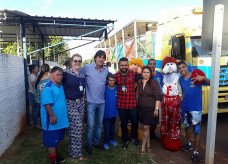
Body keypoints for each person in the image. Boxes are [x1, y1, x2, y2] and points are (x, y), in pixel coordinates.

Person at [177, 61, 210, 164]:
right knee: (186, 127)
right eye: (179, 68)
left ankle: (196, 153)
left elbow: (211, 83)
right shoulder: (181, 79)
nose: (181, 70)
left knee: (196, 131)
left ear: (187, 67)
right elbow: (183, 92)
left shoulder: (196, 75)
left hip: (196, 108)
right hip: (185, 107)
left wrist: (203, 78)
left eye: (183, 67)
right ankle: (189, 144)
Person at [80, 50, 109, 154]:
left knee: (99, 124)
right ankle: (88, 144)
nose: (101, 59)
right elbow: (78, 75)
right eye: (99, 57)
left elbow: (112, 80)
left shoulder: (106, 70)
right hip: (90, 101)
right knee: (90, 125)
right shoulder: (87, 67)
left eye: (103, 58)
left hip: (102, 102)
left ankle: (96, 142)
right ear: (95, 58)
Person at [40, 66, 69, 164]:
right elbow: (46, 104)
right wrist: (52, 115)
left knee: (56, 139)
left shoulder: (60, 85)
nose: (60, 77)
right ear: (51, 74)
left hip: (60, 119)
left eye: (61, 75)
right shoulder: (47, 86)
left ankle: (55, 155)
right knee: (51, 140)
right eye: (58, 75)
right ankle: (53, 161)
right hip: (51, 119)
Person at [62, 54, 88, 160]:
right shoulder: (66, 73)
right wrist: (44, 85)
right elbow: (54, 78)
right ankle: (77, 154)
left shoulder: (82, 76)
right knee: (77, 127)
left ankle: (72, 150)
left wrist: (83, 100)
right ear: (72, 62)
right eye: (75, 61)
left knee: (75, 128)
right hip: (70, 103)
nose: (77, 63)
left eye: (79, 61)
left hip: (80, 103)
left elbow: (83, 90)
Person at [115, 57, 140, 149]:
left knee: (134, 122)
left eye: (126, 65)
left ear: (128, 65)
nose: (124, 67)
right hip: (121, 104)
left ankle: (134, 137)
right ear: (119, 66)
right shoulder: (115, 76)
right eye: (122, 65)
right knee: (123, 123)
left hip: (132, 104)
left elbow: (142, 82)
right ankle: (124, 140)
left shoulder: (134, 75)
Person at [137, 66, 161, 154]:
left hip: (150, 109)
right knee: (146, 126)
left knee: (146, 127)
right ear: (142, 73)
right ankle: (148, 144)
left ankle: (143, 147)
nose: (146, 74)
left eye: (148, 72)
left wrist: (156, 109)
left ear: (151, 74)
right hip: (141, 108)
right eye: (144, 72)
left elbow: (158, 97)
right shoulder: (140, 82)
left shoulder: (154, 83)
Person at [147, 59, 163, 142]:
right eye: (150, 64)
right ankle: (148, 134)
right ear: (148, 64)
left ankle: (152, 133)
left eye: (154, 64)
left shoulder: (159, 74)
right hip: (149, 100)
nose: (152, 65)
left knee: (156, 118)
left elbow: (162, 85)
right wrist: (151, 76)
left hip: (158, 100)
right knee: (149, 118)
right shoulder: (145, 73)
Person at [103, 74, 118, 150]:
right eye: (110, 80)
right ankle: (106, 142)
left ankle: (111, 139)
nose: (112, 82)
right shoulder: (104, 88)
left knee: (112, 127)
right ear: (107, 81)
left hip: (114, 112)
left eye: (113, 80)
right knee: (107, 128)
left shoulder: (117, 88)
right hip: (106, 112)